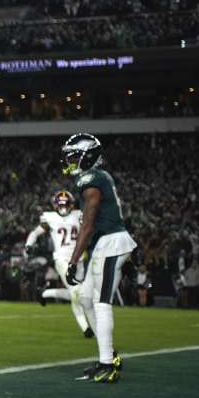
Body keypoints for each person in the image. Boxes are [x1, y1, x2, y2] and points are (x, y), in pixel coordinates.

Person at [61, 133, 136, 383]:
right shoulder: (97, 177)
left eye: (73, 156)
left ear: (87, 156)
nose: (69, 161)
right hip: (105, 244)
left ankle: (107, 364)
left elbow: (89, 225)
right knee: (85, 298)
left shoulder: (91, 179)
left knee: (101, 302)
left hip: (111, 242)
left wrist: (73, 261)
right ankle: (108, 354)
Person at [25, 190, 92, 336]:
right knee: (75, 292)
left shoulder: (78, 215)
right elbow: (35, 232)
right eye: (60, 204)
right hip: (62, 260)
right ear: (55, 204)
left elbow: (89, 228)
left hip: (78, 260)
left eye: (65, 204)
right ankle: (86, 328)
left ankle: (45, 293)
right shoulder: (50, 217)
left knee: (78, 293)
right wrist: (29, 244)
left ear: (71, 204)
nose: (63, 207)